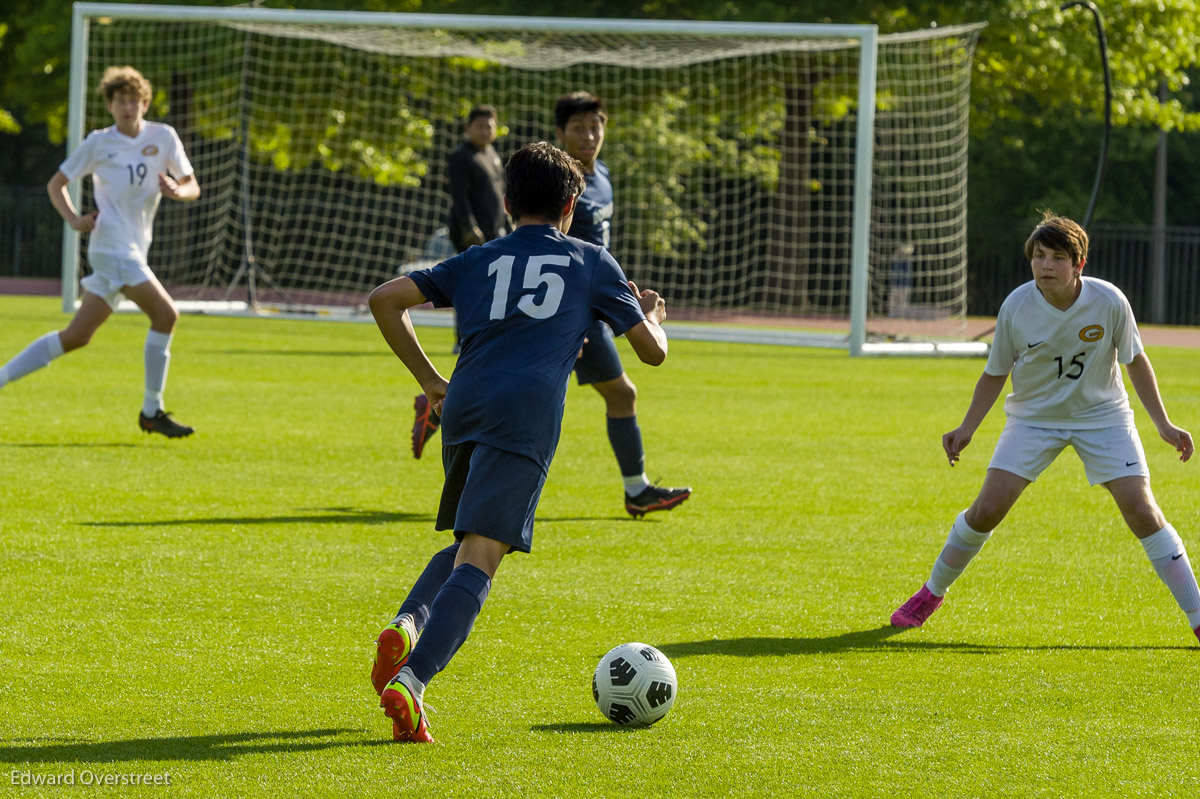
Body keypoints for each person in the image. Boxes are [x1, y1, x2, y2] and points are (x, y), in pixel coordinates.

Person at [367, 141, 669, 743]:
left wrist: (431, 382)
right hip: (524, 412)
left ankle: (407, 622)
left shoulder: (479, 258)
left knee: (464, 543)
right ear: (572, 204)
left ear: (506, 203)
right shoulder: (591, 259)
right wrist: (655, 313)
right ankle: (413, 681)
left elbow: (385, 299)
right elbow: (651, 352)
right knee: (483, 557)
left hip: (466, 403)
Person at [891, 212, 1199, 643]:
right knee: (986, 510)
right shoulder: (1016, 306)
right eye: (1039, 256)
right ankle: (931, 593)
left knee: (1143, 511)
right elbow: (995, 372)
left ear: (1079, 264)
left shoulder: (1109, 301)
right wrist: (967, 427)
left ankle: (1198, 616)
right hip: (1033, 420)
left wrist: (1162, 423)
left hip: (1102, 418)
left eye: (1057, 257)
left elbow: (1135, 360)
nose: (1046, 265)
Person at [0, 66, 199, 437]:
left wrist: (177, 190)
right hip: (111, 247)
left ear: (146, 103)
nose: (127, 107)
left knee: (76, 336)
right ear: (109, 105)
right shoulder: (99, 142)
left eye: (133, 101)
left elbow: (192, 186)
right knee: (166, 314)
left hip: (133, 248)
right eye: (119, 101)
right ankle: (151, 410)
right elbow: (57, 183)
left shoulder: (164, 137)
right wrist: (74, 220)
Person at [554, 90, 691, 518]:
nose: (588, 135)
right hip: (573, 308)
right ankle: (637, 491)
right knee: (621, 394)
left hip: (594, 304)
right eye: (577, 128)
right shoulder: (558, 179)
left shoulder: (604, 175)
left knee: (519, 386)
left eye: (595, 125)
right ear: (561, 133)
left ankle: (442, 401)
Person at [411, 104, 510, 456]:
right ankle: (461, 345)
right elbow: (460, 198)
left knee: (493, 304)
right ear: (468, 128)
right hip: (473, 238)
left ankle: (436, 405)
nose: (486, 130)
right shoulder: (461, 157)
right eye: (480, 125)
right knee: (475, 295)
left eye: (491, 125)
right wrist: (470, 230)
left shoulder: (494, 156)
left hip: (499, 236)